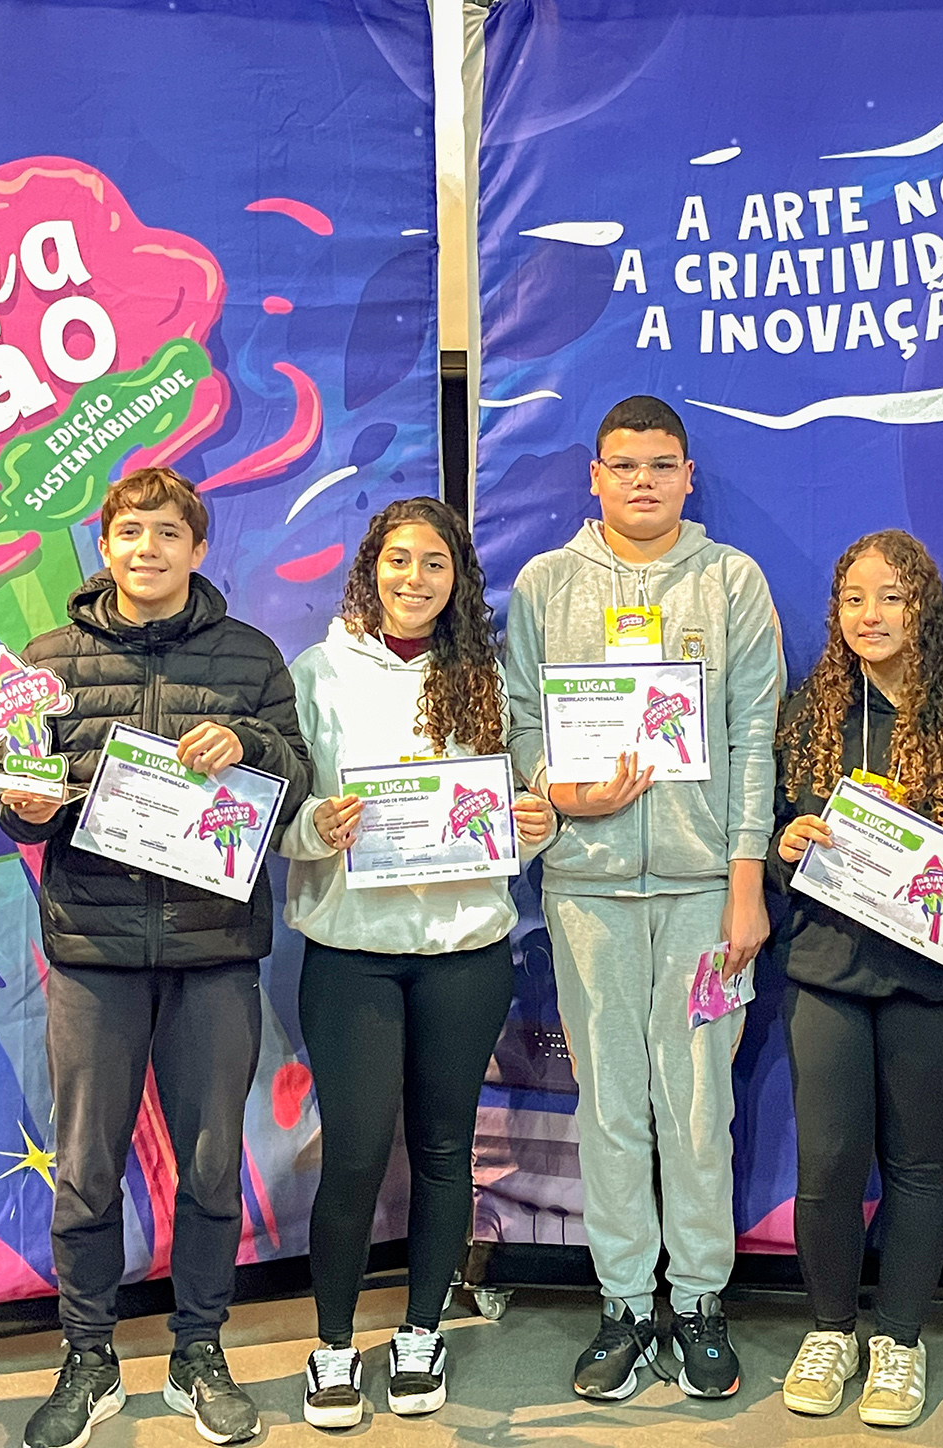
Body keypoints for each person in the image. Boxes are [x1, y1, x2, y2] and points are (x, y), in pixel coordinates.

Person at [0, 466, 311, 1448]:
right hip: (92, 951)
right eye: (130, 531)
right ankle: (87, 1357)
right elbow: (16, 795)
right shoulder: (46, 660)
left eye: (168, 532)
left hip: (213, 951)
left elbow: (296, 778)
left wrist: (248, 742)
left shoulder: (249, 656)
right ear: (105, 545)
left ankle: (197, 1353)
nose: (147, 548)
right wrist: (24, 805)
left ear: (197, 548)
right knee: (86, 1169)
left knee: (212, 1167)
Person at [504, 394, 783, 1402]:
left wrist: (744, 883)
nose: (642, 482)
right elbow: (518, 724)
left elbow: (754, 735)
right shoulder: (544, 585)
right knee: (612, 1107)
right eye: (622, 465)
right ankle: (624, 1303)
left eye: (660, 465)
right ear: (594, 475)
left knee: (699, 1107)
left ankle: (699, 1301)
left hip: (706, 895)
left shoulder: (731, 579)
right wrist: (558, 790)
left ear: (687, 475)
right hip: (586, 893)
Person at [278, 497, 555, 1429]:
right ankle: (331, 1345)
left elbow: (521, 813)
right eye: (398, 559)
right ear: (371, 567)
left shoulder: (488, 680)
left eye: (435, 563)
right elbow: (280, 812)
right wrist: (316, 827)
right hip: (350, 957)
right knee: (355, 1154)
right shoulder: (316, 673)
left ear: (458, 579)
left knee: (444, 1151)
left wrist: (534, 822)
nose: (414, 578)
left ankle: (421, 1331)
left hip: (462, 955)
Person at [768, 529, 943, 1426]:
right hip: (827, 973)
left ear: (921, 609)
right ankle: (829, 1331)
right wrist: (783, 844)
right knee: (827, 1164)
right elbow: (766, 834)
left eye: (890, 596)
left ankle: (898, 1342)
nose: (870, 614)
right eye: (853, 598)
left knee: (918, 1166)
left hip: (935, 984)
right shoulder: (807, 717)